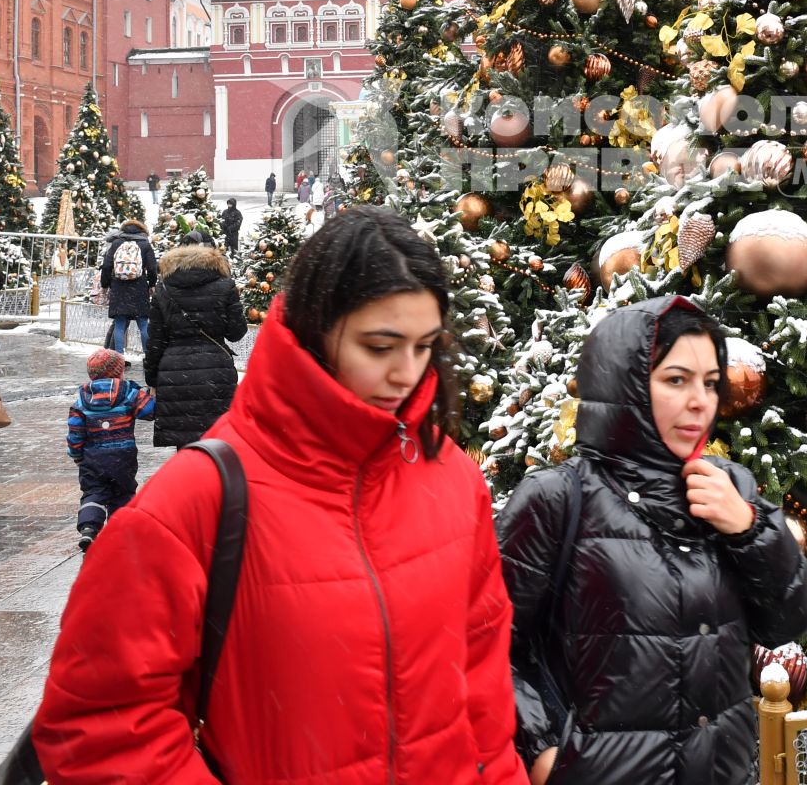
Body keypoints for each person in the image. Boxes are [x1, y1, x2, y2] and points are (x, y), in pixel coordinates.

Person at [32, 207, 527, 784]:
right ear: (315, 332)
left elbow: (482, 684)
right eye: (379, 346)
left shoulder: (452, 480)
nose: (407, 374)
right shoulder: (198, 500)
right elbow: (101, 726)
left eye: (424, 346)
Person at [497, 296, 807, 785]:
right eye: (676, 380)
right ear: (622, 383)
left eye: (711, 383)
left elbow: (788, 621)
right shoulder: (557, 498)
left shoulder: (730, 487)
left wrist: (749, 528)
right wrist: (543, 748)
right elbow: (487, 645)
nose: (700, 402)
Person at [144, 236, 248, 447]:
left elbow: (155, 341)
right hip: (216, 371)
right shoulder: (225, 286)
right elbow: (236, 332)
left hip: (175, 374)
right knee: (219, 441)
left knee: (185, 447)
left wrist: (153, 379)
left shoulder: (164, 289)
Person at [68, 347, 155, 551]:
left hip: (92, 458)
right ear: (118, 372)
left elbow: (75, 431)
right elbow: (150, 411)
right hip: (122, 457)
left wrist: (76, 454)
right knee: (122, 493)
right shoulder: (128, 393)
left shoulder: (82, 399)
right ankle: (121, 530)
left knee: (93, 493)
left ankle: (89, 528)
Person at [99, 220, 157, 355]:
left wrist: (105, 285)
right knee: (143, 323)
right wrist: (152, 284)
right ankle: (148, 356)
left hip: (119, 287)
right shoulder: (144, 244)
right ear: (142, 231)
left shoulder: (116, 243)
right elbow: (152, 268)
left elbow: (107, 266)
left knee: (119, 324)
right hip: (139, 287)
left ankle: (118, 357)